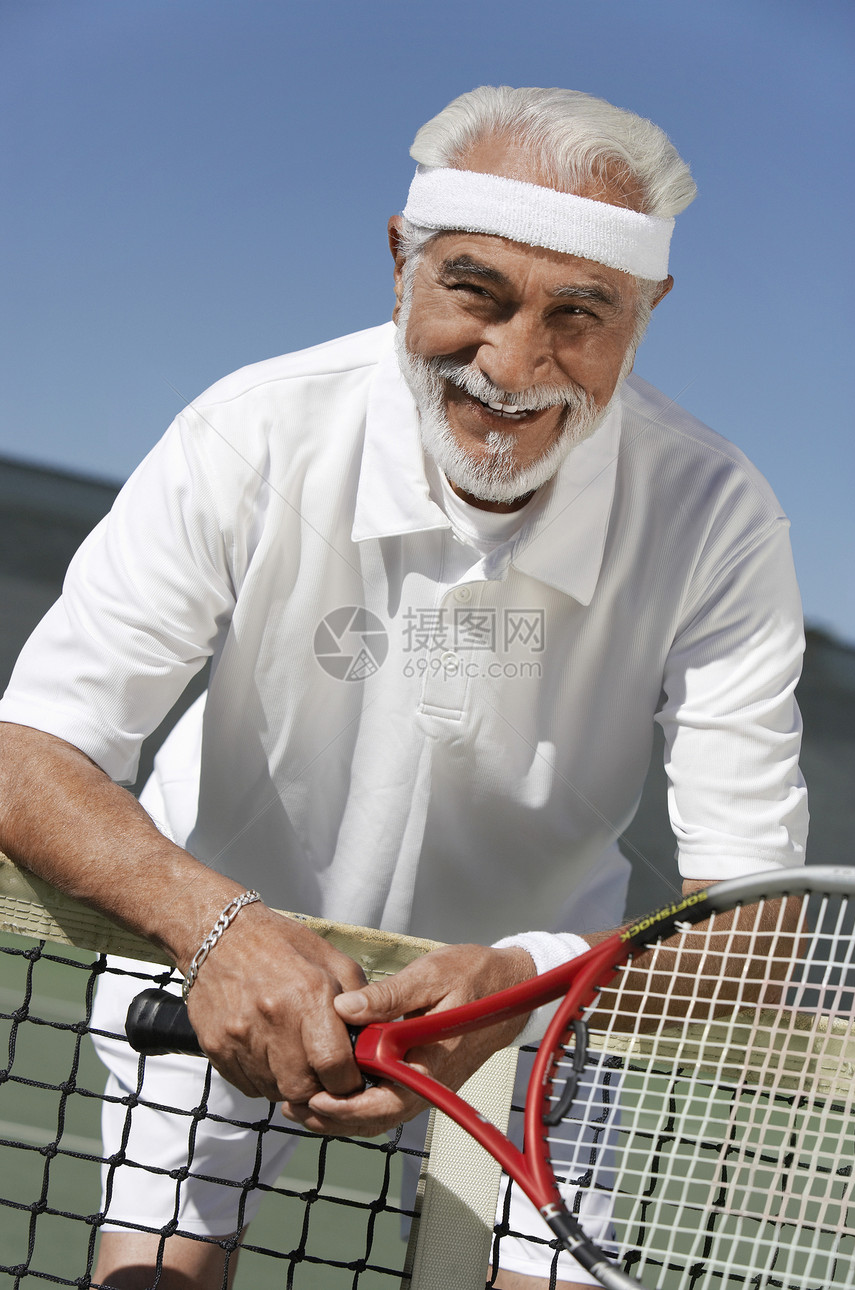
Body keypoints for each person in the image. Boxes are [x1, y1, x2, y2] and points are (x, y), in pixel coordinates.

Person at [0, 85, 807, 1289]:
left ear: (646, 315)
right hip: (217, 954)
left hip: (541, 1000)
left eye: (579, 314)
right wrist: (215, 926)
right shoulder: (249, 432)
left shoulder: (718, 516)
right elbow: (30, 752)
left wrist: (523, 981)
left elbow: (757, 925)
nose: (513, 365)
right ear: (399, 258)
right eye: (474, 292)